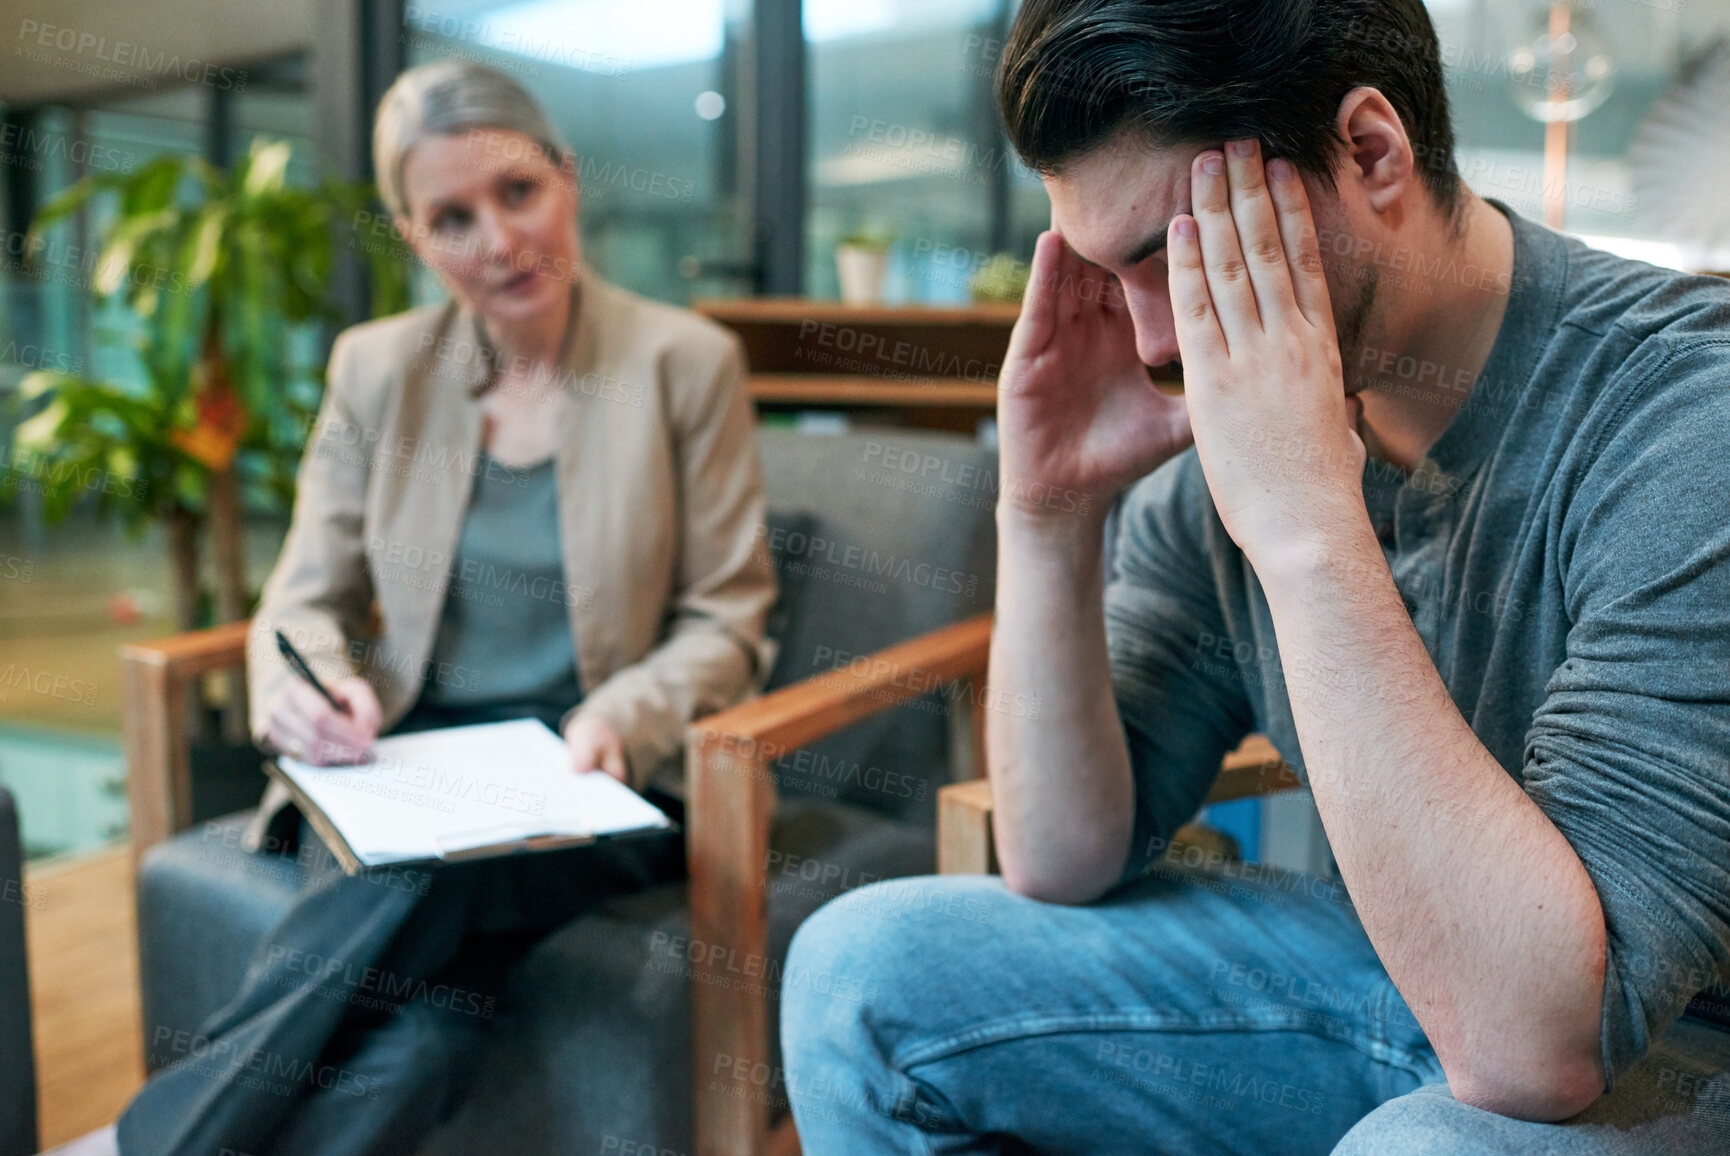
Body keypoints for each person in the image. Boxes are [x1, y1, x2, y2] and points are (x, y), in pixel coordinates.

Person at [780, 1, 1730, 1152]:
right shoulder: (1223, 458)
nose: (1149, 344)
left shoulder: (1682, 421)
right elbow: (1059, 854)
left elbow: (1535, 1050)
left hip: (1667, 1049)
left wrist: (1305, 526)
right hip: (1392, 975)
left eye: (1178, 259)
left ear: (1369, 153)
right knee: (861, 972)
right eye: (1104, 276)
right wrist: (1045, 514)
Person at [117, 59, 776, 1155]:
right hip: (405, 769)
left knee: (416, 878)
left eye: (519, 193)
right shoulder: (375, 369)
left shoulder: (683, 363)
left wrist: (627, 710)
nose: (499, 240)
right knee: (418, 1042)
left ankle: (150, 1143)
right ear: (413, 237)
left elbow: (728, 614)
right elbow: (304, 591)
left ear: (566, 178)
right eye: (452, 218)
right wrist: (304, 686)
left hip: (592, 778)